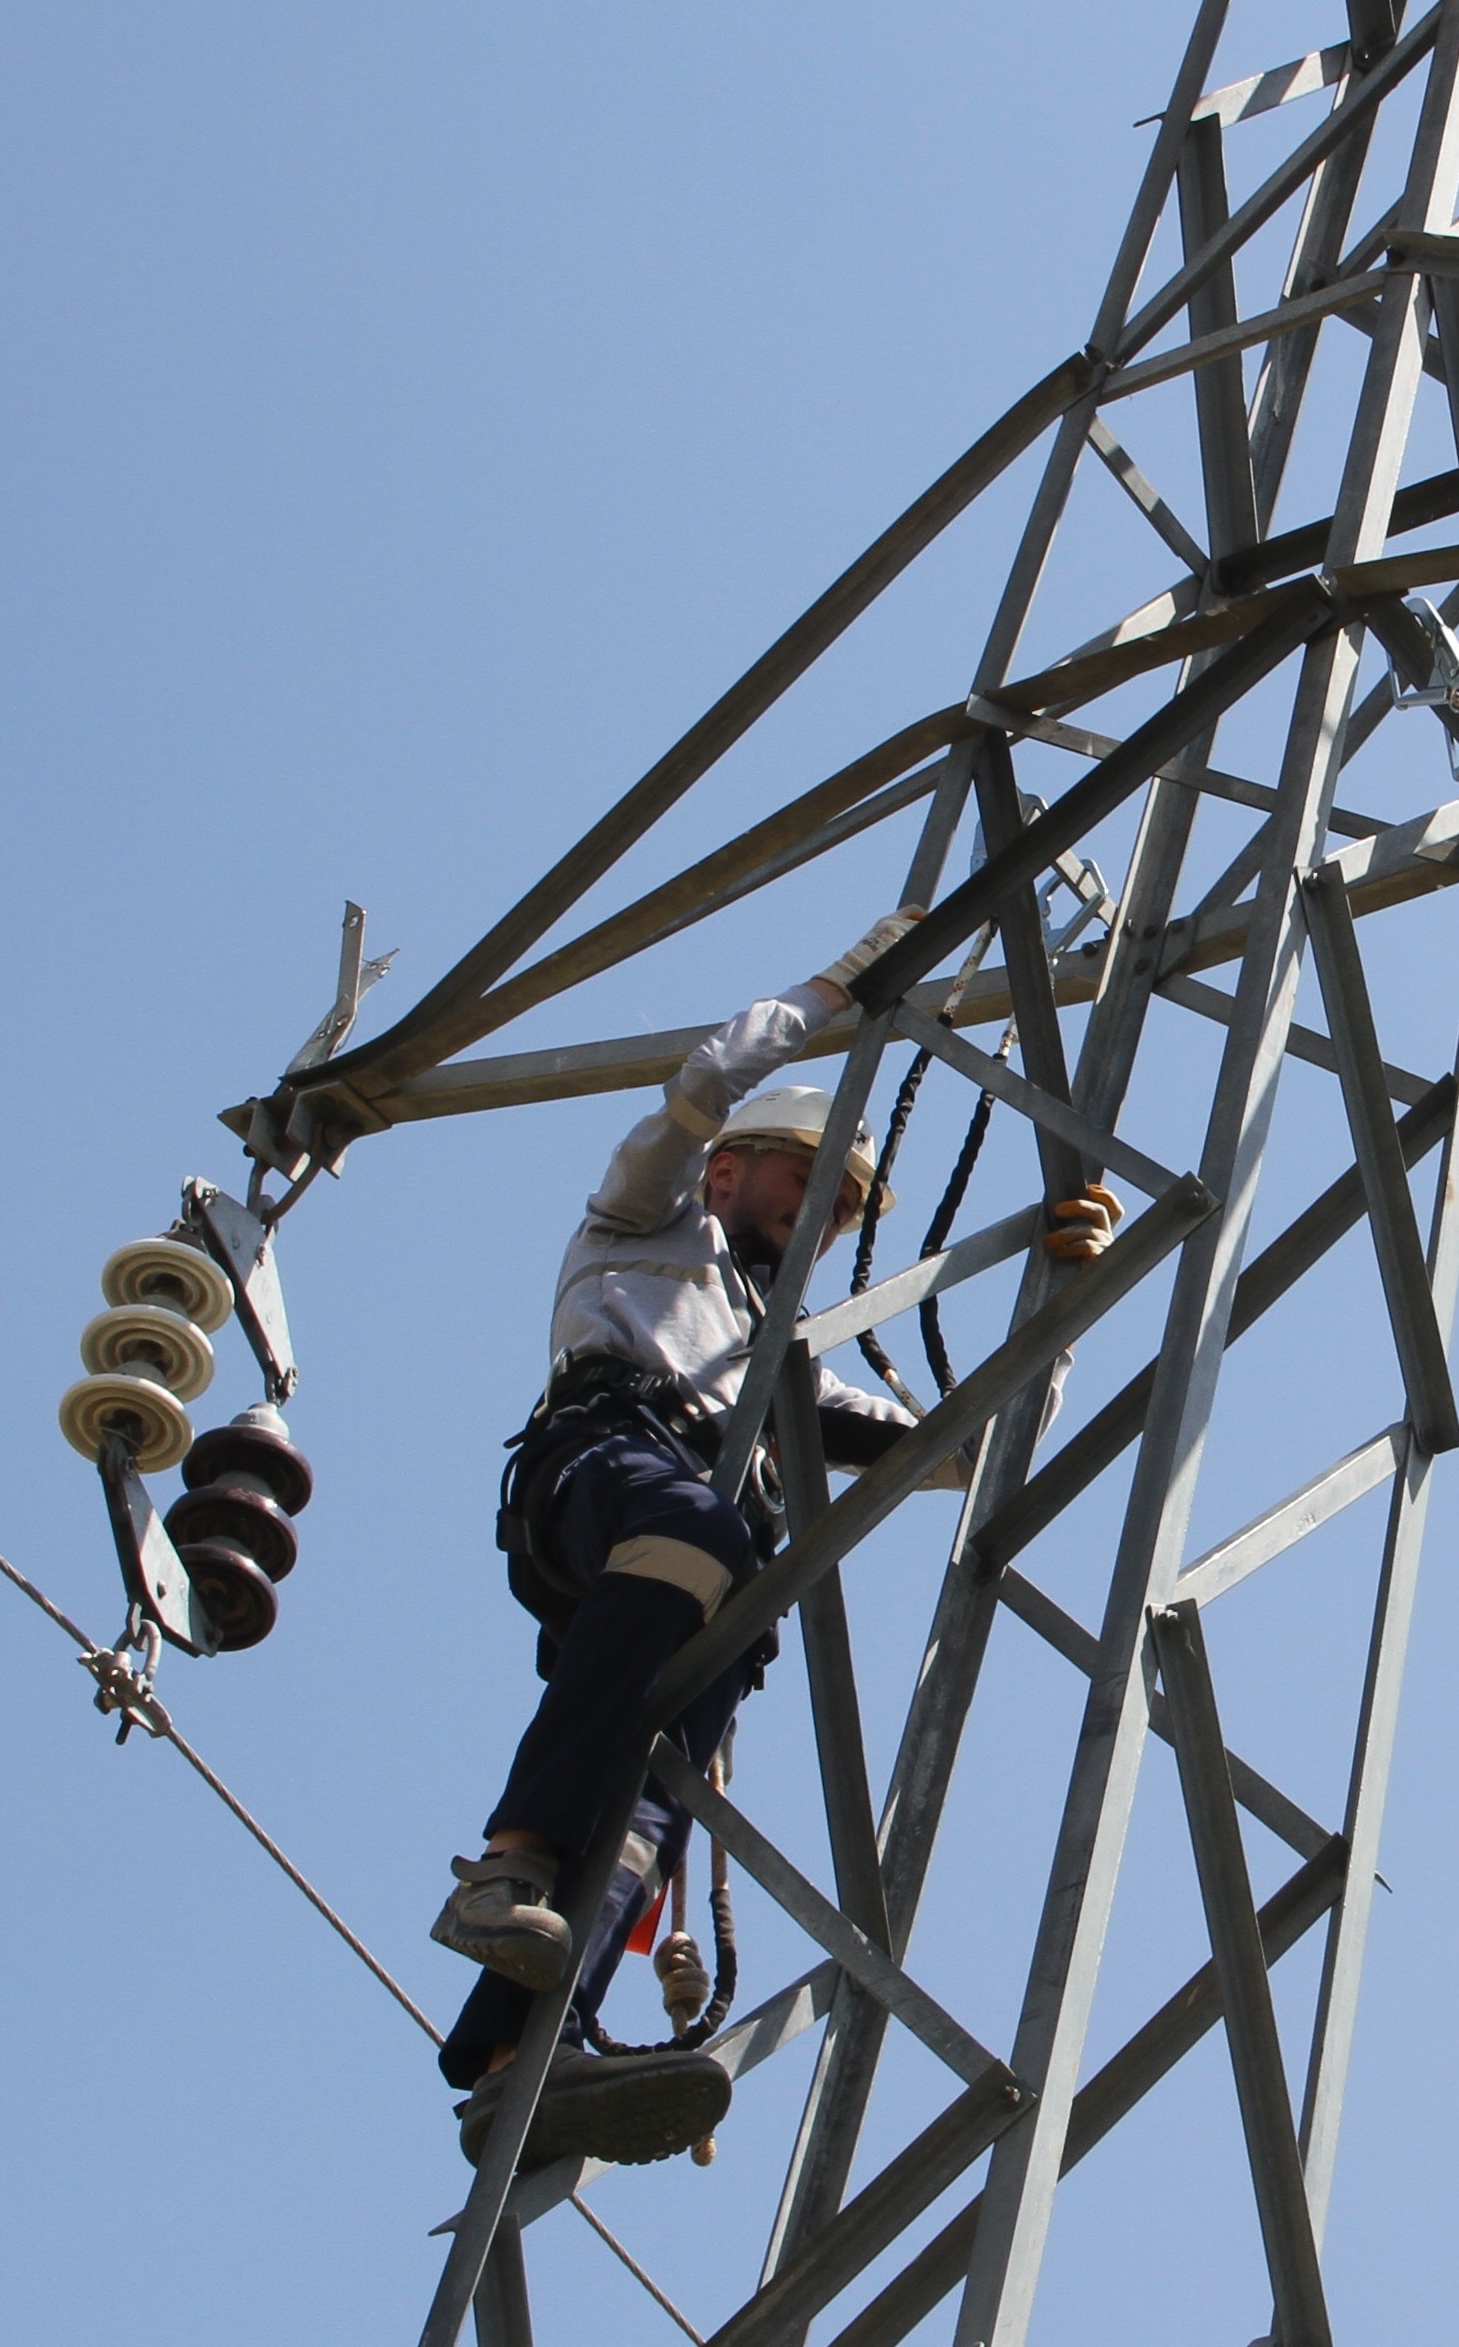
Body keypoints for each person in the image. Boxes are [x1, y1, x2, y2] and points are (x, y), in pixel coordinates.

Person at [427, 906, 1119, 2169]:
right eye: (807, 1181)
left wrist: (1061, 1311)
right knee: (699, 1538)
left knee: (649, 1809)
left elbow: (966, 1451)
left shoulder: (788, 1362)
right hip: (609, 1473)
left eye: (844, 1215)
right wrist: (827, 992)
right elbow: (704, 1082)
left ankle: (522, 2055)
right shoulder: (643, 1225)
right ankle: (509, 1865)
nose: (824, 1221)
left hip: (695, 1579)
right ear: (732, 1172)